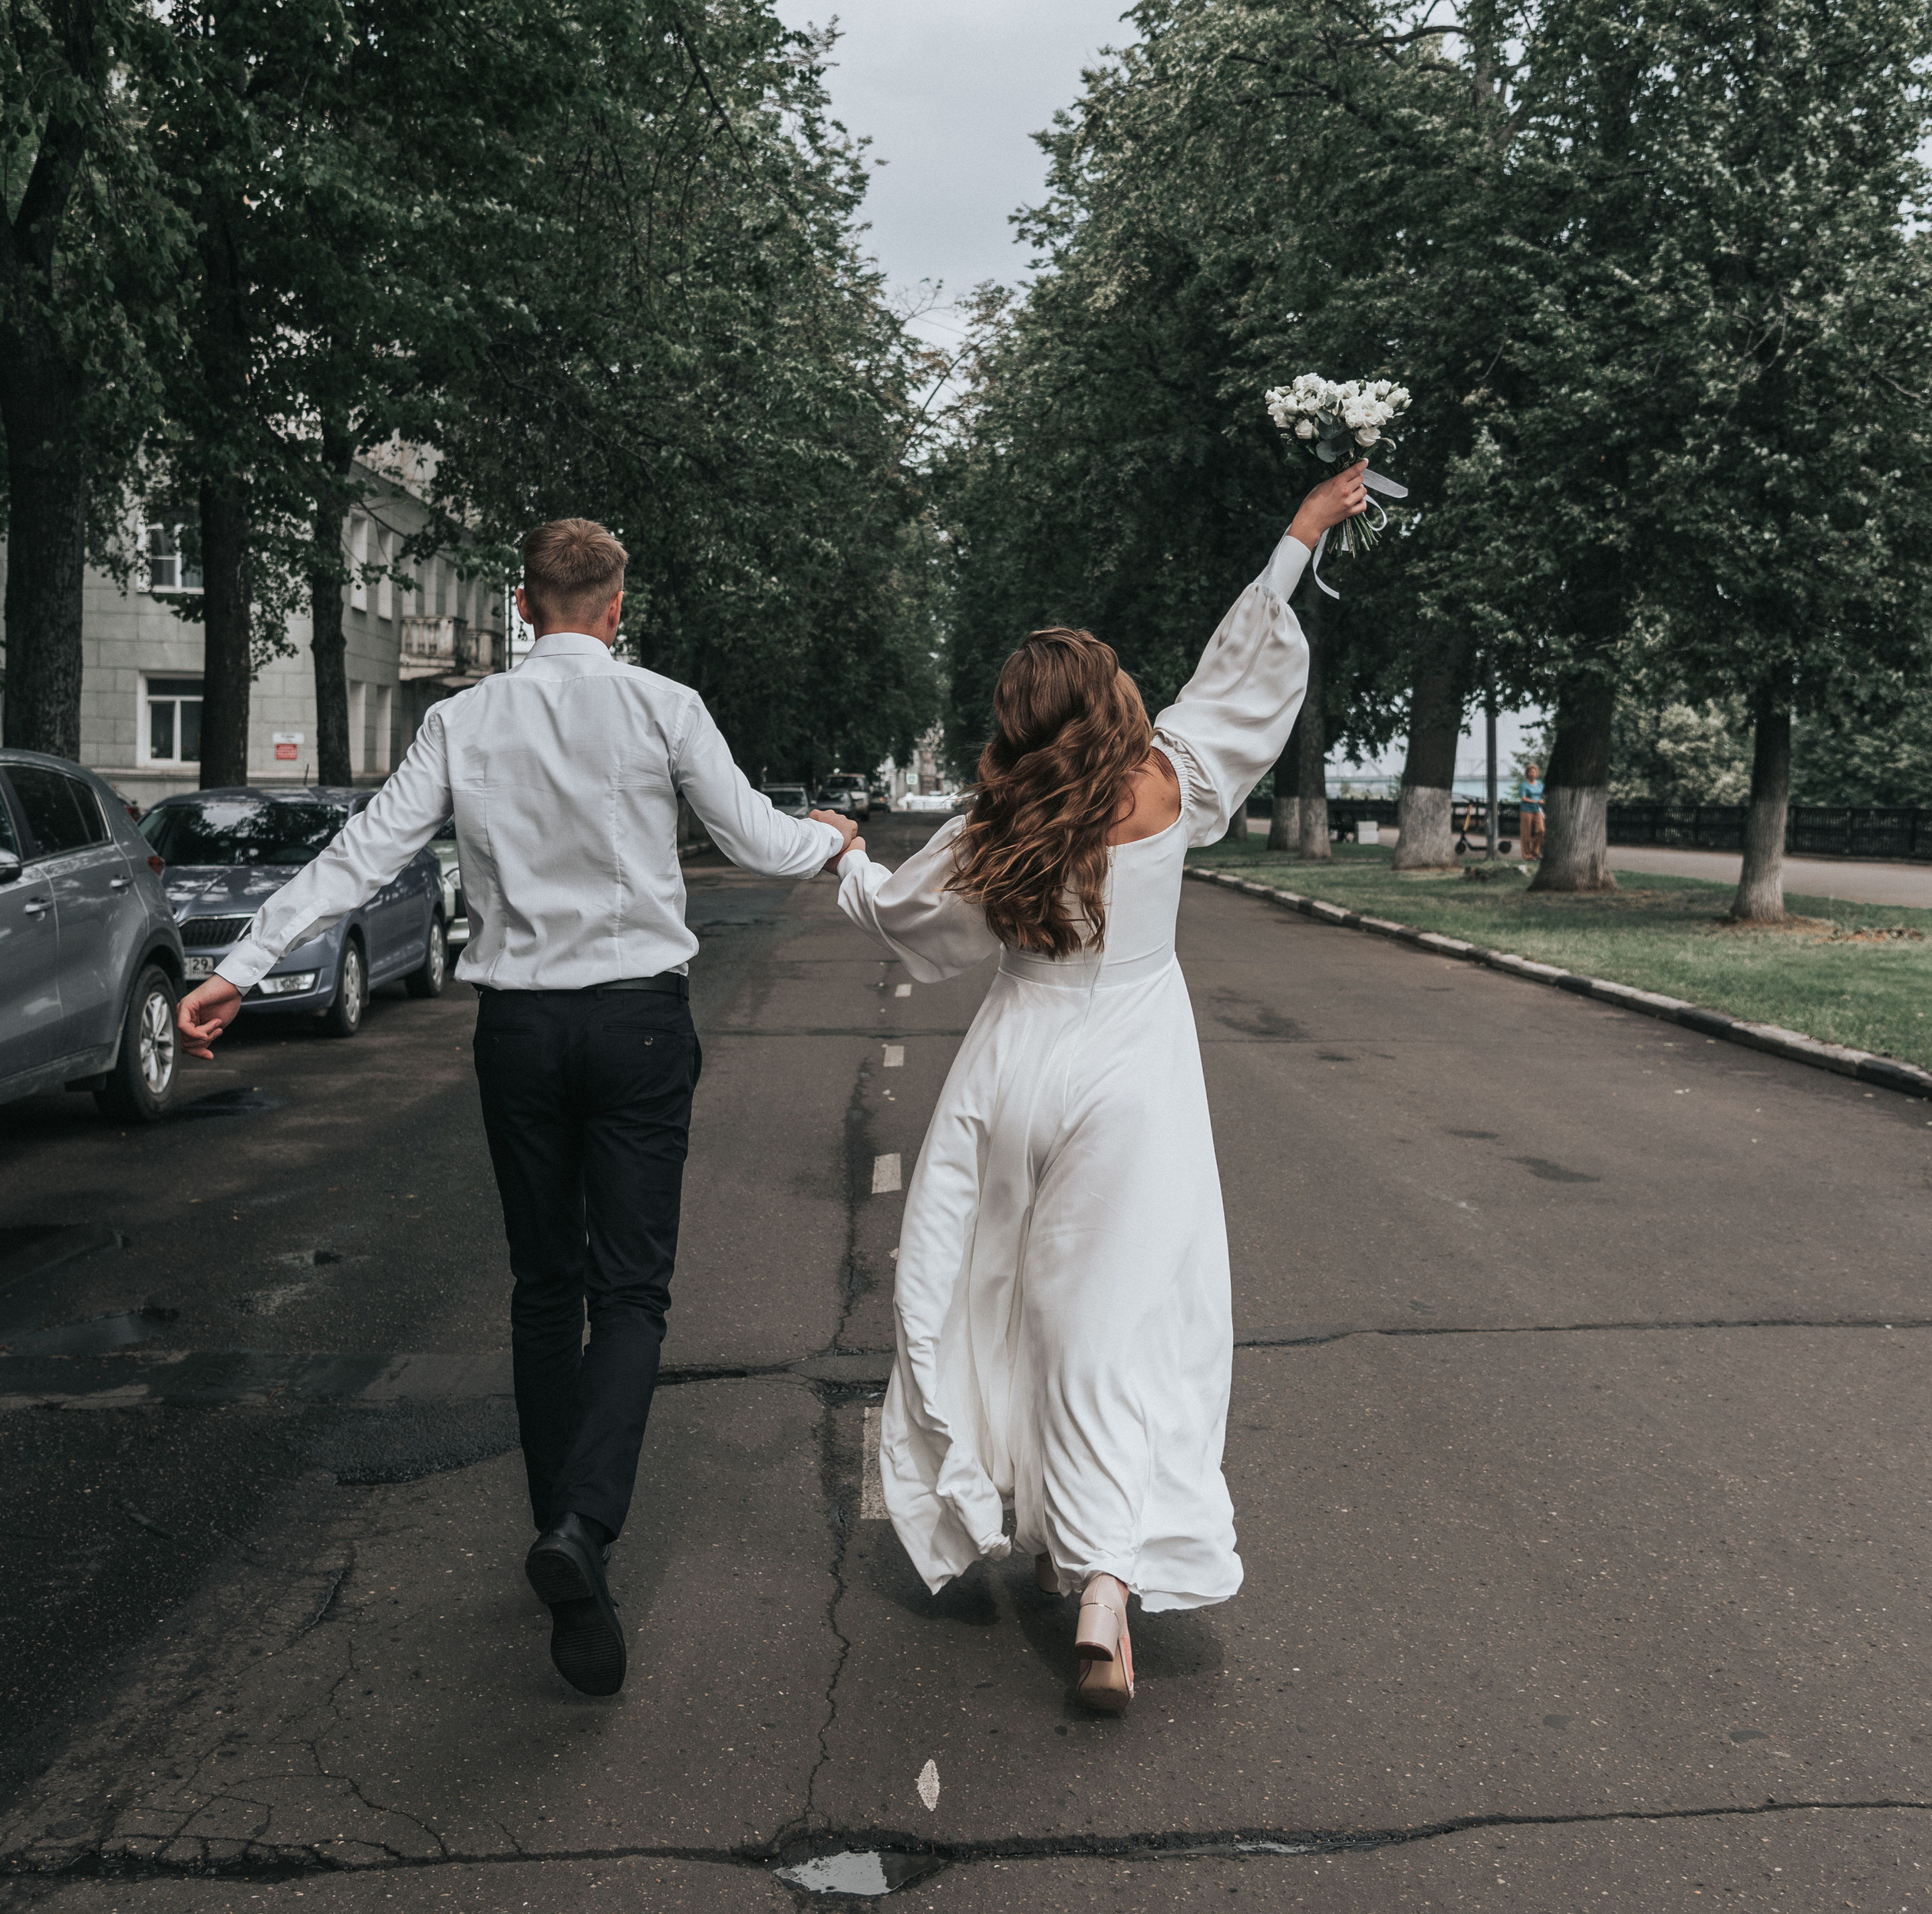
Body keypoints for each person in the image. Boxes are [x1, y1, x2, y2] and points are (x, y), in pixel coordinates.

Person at [173, 518, 856, 1699]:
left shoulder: (462, 718)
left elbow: (368, 850)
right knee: (631, 1287)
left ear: (526, 607)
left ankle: (559, 1527)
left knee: (546, 1285)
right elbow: (756, 838)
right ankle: (584, 1531)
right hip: (639, 1021)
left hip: (522, 1033)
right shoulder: (662, 703)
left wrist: (244, 959)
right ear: (613, 606)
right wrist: (832, 838)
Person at [831, 461, 1369, 1713]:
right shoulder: (1169, 780)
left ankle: (986, 1494)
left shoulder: (995, 818)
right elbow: (1238, 676)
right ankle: (1105, 1585)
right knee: (1109, 1329)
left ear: (1018, 714)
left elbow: (911, 919)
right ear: (1116, 695)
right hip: (1135, 1074)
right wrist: (1297, 532)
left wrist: (849, 862)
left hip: (1014, 1064)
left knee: (984, 1290)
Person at [1518, 758, 1546, 861]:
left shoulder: (1539, 784)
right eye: (1530, 772)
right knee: (1526, 833)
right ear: (1527, 774)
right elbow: (1523, 798)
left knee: (1541, 830)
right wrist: (1535, 801)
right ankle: (1527, 854)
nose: (1532, 774)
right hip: (1526, 810)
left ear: (1536, 773)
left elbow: (1543, 794)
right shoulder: (1524, 785)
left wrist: (1544, 799)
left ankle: (1536, 852)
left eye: (1533, 772)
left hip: (1537, 810)